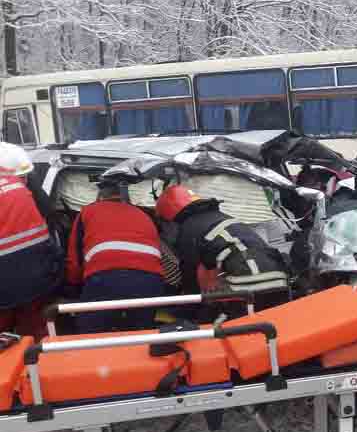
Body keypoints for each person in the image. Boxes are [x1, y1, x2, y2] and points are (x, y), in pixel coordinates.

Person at [155, 185, 289, 305]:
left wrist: (189, 309)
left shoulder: (188, 229)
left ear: (169, 219)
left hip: (249, 280)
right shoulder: (220, 217)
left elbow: (190, 276)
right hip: (279, 277)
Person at [65, 180, 167, 333]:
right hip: (150, 280)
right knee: (141, 334)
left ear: (99, 197)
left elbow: (75, 259)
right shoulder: (144, 214)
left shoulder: (88, 212)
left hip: (105, 277)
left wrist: (72, 286)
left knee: (91, 333)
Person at [0, 142, 62, 336]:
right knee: (36, 335)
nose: (25, 181)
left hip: (7, 283)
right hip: (36, 278)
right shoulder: (22, 191)